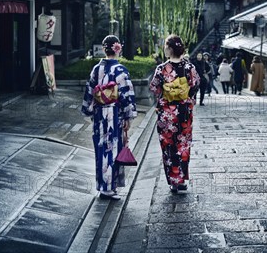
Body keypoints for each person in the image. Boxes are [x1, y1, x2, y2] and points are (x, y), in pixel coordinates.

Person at [81, 35, 137, 201]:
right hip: (115, 114)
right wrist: (128, 115)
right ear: (117, 49)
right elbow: (127, 95)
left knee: (101, 149)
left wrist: (88, 110)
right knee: (112, 149)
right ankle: (109, 188)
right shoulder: (120, 70)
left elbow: (89, 92)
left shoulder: (96, 69)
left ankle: (102, 186)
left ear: (105, 49)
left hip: (99, 115)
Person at [149, 35, 200, 193]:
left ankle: (173, 181)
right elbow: (196, 84)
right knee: (183, 146)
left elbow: (155, 88)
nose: (164, 49)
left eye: (165, 46)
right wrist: (187, 97)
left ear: (170, 49)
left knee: (169, 147)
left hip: (167, 113)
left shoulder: (161, 68)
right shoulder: (189, 67)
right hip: (184, 113)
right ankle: (182, 180)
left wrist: (166, 94)